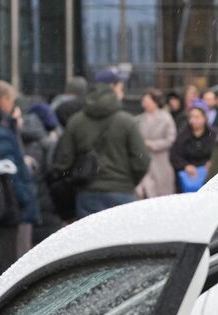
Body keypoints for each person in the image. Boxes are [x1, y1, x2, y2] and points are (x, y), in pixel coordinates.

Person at [51, 68, 149, 218]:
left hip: (88, 192)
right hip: (122, 191)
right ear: (113, 89)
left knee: (91, 240)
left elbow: (64, 160)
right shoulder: (126, 121)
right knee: (122, 239)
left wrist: (75, 181)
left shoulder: (76, 121)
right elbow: (142, 160)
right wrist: (128, 181)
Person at [0, 80, 38, 278]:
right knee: (12, 264)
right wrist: (25, 197)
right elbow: (10, 172)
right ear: (3, 100)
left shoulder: (2, 126)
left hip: (8, 206)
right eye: (11, 100)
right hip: (12, 207)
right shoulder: (1, 129)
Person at [17, 96, 62, 246]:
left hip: (27, 208)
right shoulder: (48, 145)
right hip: (48, 209)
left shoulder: (20, 141)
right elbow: (53, 176)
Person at [134, 88, 176, 199]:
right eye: (143, 101)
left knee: (161, 194)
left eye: (147, 101)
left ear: (155, 101)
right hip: (143, 159)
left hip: (160, 160)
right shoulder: (139, 119)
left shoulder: (166, 118)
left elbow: (170, 139)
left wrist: (152, 144)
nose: (144, 104)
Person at [169, 103, 214, 191]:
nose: (193, 120)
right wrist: (185, 166)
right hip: (188, 177)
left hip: (209, 175)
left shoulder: (213, 135)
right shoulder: (182, 136)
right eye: (191, 117)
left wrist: (212, 162)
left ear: (204, 118)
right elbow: (174, 155)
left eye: (197, 117)